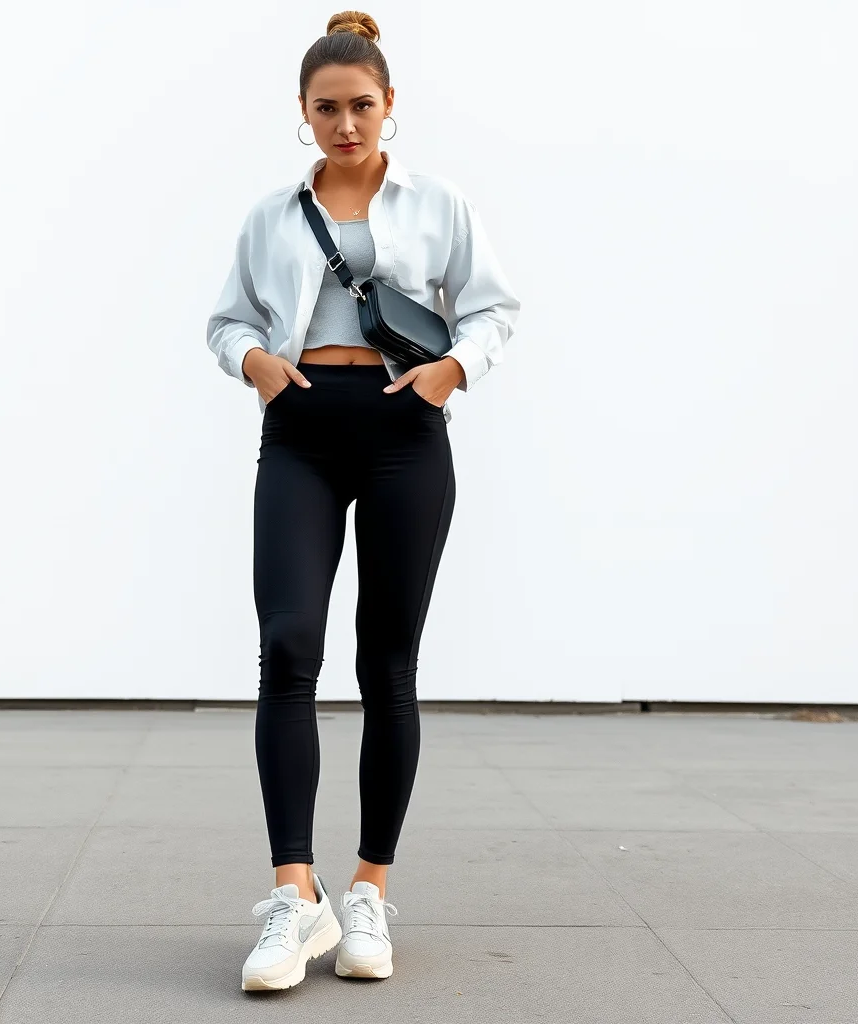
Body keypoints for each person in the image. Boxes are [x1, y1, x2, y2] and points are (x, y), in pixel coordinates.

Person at [206, 9, 520, 992]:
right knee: (289, 642)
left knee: (387, 658)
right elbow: (224, 317)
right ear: (302, 115)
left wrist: (451, 372)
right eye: (327, 109)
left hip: (402, 433)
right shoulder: (270, 212)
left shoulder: (439, 203)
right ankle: (293, 897)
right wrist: (254, 359)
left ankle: (368, 891)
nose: (346, 124)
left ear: (391, 108)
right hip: (299, 428)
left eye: (362, 107)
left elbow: (493, 305)